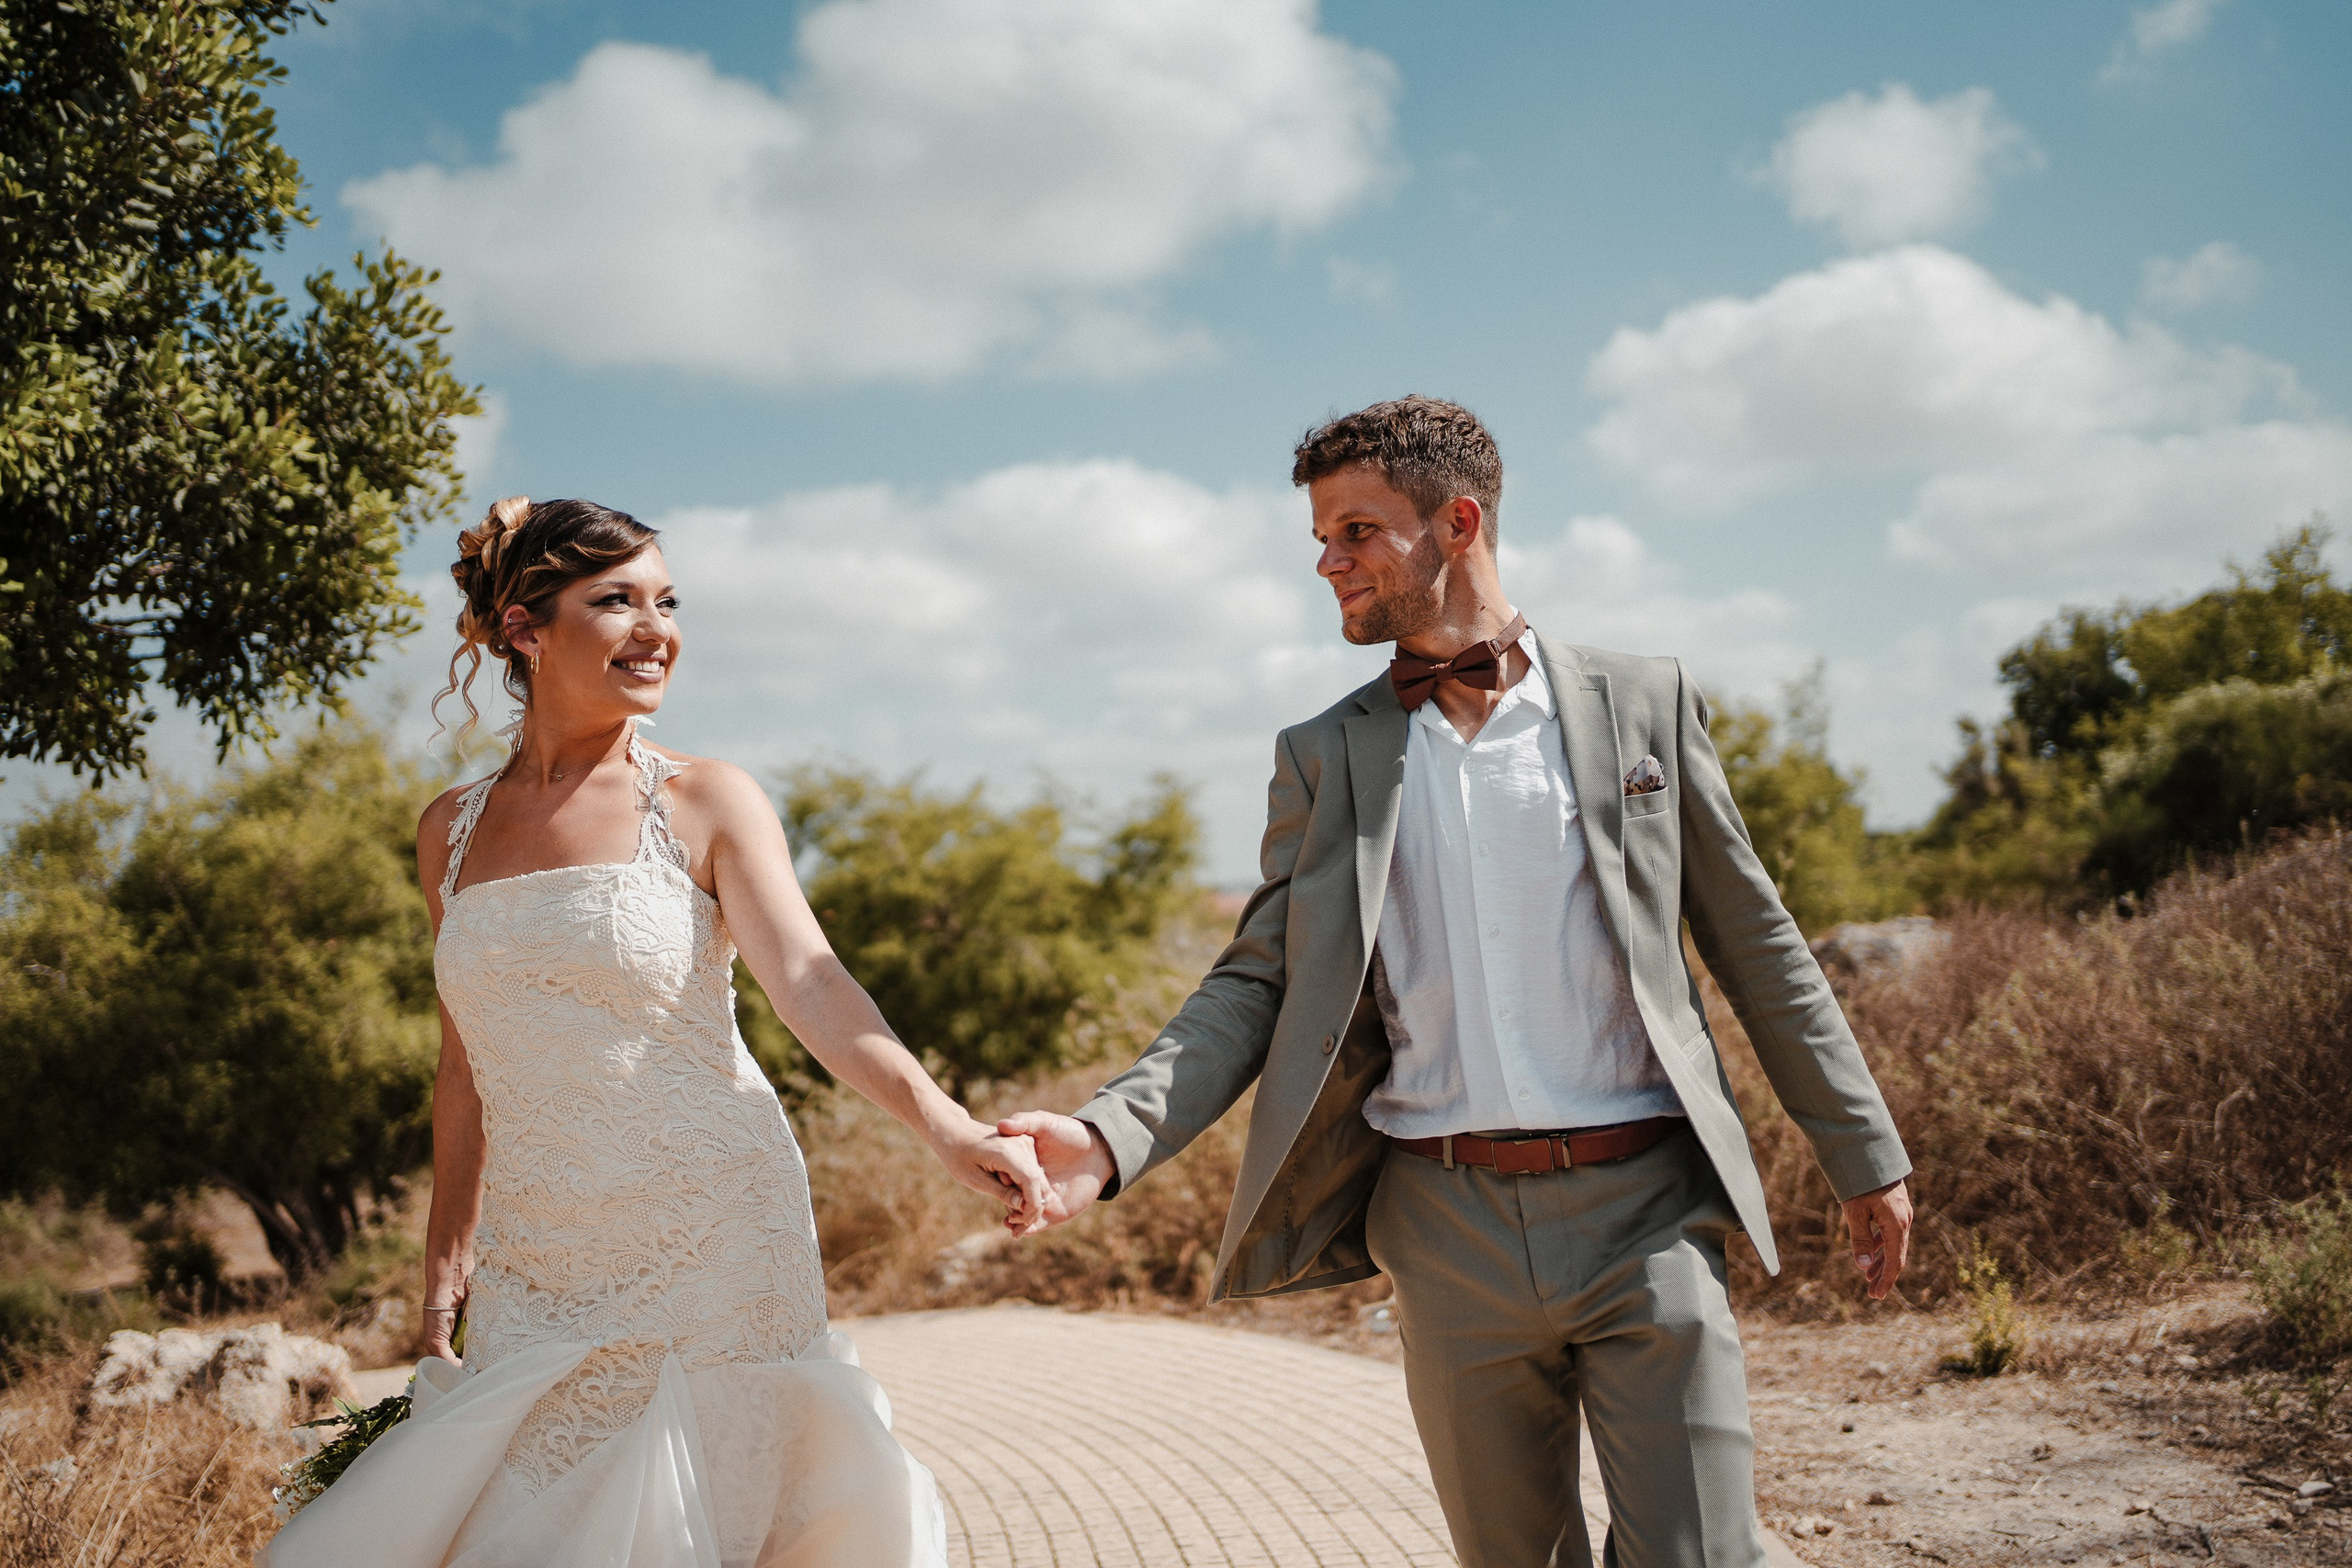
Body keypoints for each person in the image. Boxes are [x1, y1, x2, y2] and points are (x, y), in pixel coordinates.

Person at [1000, 398, 1916, 1568]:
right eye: (1321, 539)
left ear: (1459, 521)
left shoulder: (1641, 703)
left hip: (1645, 1209)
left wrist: (1862, 1150)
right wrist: (1105, 1136)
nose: (1328, 563)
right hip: (1444, 1229)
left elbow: (1759, 941)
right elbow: (1255, 985)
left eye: (1357, 532)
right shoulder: (1323, 755)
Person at [263, 496, 1046, 1568]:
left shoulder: (707, 800)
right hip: (537, 1263)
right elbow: (466, 1060)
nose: (657, 627)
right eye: (616, 600)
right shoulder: (448, 830)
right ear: (523, 630)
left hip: (713, 1237)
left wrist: (948, 1128)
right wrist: (450, 1245)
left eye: (667, 600)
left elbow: (815, 989)